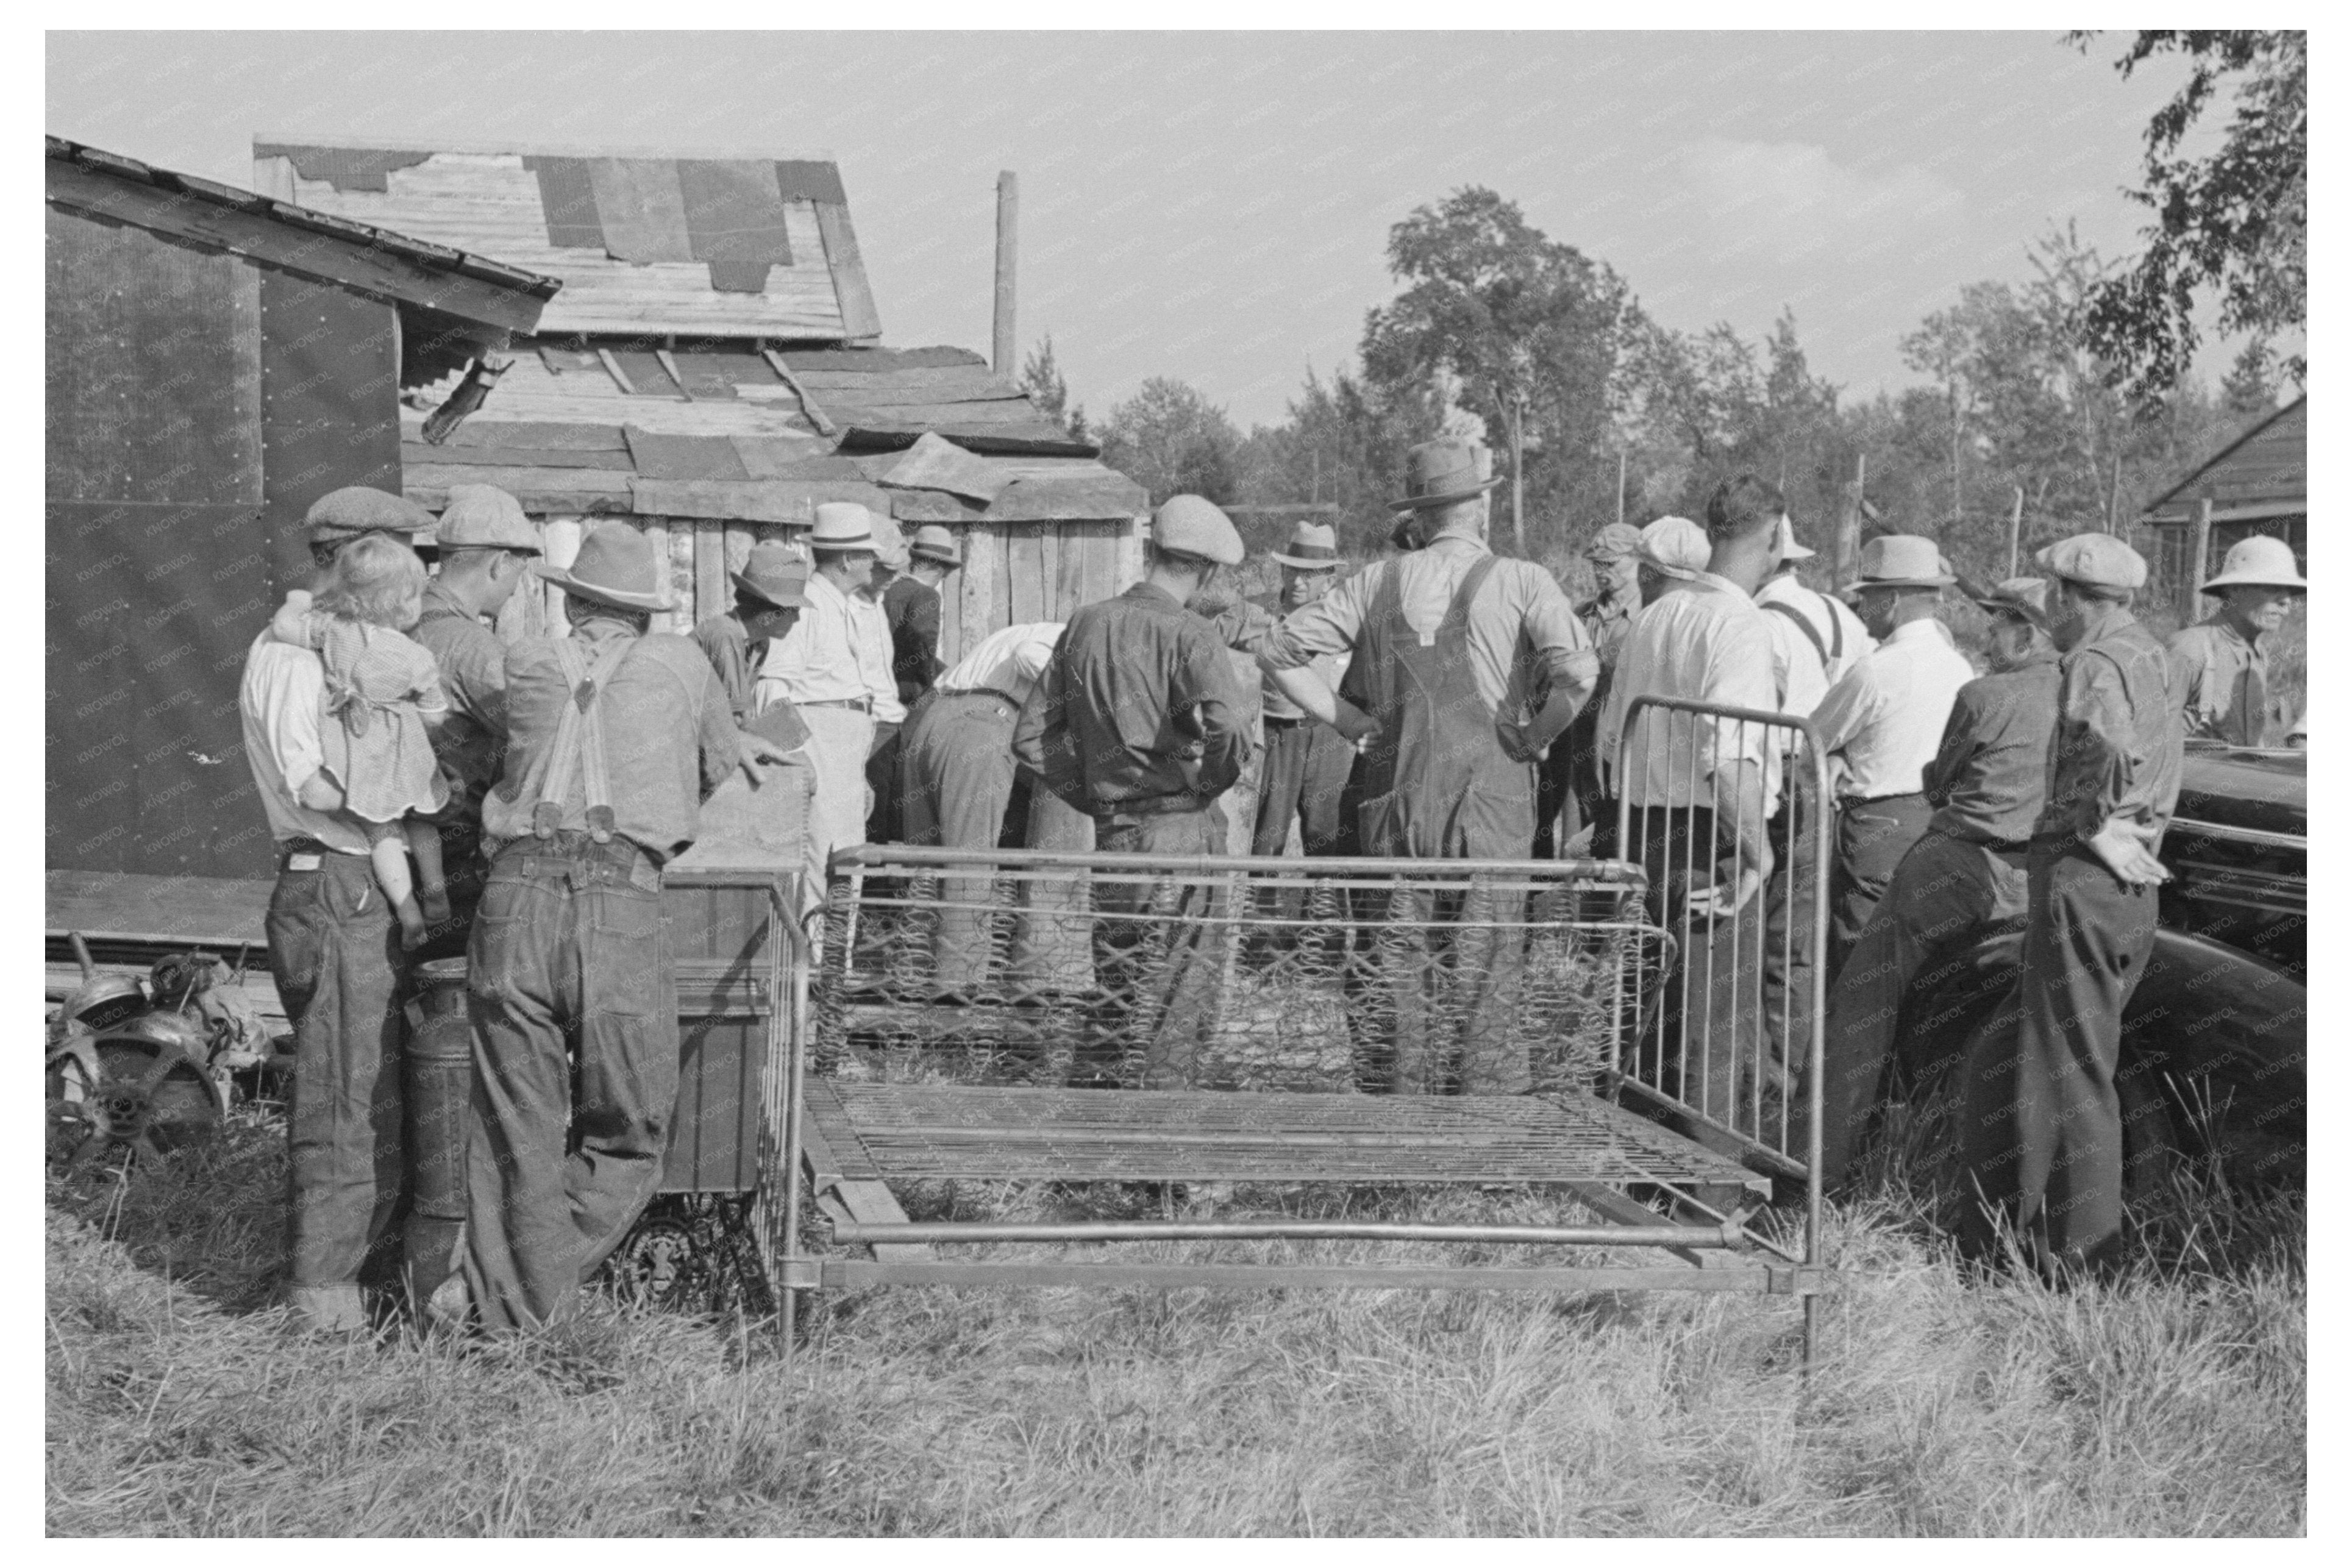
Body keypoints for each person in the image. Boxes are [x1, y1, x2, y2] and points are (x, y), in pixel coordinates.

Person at [452, 521, 791, 1331]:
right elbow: (711, 768)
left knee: (516, 1125)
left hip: (513, 894)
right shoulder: (684, 663)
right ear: (643, 613)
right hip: (620, 897)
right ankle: (524, 1299)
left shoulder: (525, 660)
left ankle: (506, 1297)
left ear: (575, 605)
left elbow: (502, 747)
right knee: (634, 1123)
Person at [1259, 439, 1597, 1094]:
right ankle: (1482, 1127)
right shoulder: (1523, 581)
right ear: (1479, 506)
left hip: (1397, 810)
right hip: (1490, 811)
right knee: (1486, 980)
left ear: (1418, 514)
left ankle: (1400, 1125)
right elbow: (1580, 674)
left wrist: (1348, 721)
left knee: (1395, 981)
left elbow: (1276, 652)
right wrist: (1534, 735)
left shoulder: (1376, 583)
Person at [237, 484, 437, 1333]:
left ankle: (352, 1278)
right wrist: (395, 804)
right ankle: (322, 1296)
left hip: (344, 880)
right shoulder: (292, 662)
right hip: (334, 879)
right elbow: (307, 781)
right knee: (343, 1093)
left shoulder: (328, 647)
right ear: (350, 560)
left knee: (363, 1085)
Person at [1959, 534, 2184, 1274]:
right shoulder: (2152, 653)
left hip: (2086, 873)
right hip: (2127, 885)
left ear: (2064, 596)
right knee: (2017, 1058)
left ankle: (2078, 1265)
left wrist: (2096, 824)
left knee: (2071, 1076)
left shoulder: (2093, 661)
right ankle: (1994, 1235)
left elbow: (2109, 746)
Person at [1811, 577, 2059, 1189]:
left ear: (2027, 635)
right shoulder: (2084, 693)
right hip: (2035, 875)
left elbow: (1941, 782)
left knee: (1864, 1000)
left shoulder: (1984, 694)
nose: (1988, 636)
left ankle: (1821, 1165)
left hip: (1955, 864)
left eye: (1998, 625)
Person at [1013, 495, 1251, 1085]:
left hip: (1115, 836)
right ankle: (1160, 1130)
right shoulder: (1192, 632)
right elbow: (1230, 726)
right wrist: (1209, 786)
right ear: (1207, 572)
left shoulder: (1086, 623)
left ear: (1151, 551)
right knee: (1178, 995)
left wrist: (1095, 797)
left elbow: (1030, 738)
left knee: (1118, 987)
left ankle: (1101, 1116)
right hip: (1181, 835)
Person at [1595, 479, 1783, 1126]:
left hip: (1643, 833)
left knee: (1650, 1018)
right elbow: (1727, 759)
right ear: (1773, 538)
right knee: (1712, 1031)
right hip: (1710, 844)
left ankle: (1638, 1158)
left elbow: (1610, 738)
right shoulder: (1738, 623)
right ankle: (1710, 1176)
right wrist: (1759, 855)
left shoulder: (1656, 615)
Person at [268, 538, 452, 950]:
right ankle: (436, 890)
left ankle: (408, 911)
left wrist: (297, 600)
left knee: (381, 830)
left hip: (357, 751)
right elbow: (436, 715)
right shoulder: (416, 656)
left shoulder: (334, 631)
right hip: (407, 754)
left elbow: (283, 627)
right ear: (403, 602)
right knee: (422, 818)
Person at [1808, 535, 1975, 975]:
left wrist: (1838, 756)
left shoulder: (1878, 669)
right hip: (1936, 819)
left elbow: (1811, 739)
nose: (1862, 608)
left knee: (1859, 951)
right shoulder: (1958, 666)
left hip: (1878, 824)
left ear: (1893, 600)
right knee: (1914, 954)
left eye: (1868, 597)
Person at [1751, 508, 1876, 1092]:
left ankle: (1774, 1075)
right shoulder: (1839, 614)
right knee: (1802, 938)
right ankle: (1798, 1075)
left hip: (1779, 778)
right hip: (1825, 782)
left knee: (1766, 936)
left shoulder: (1757, 624)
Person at [409, 483, 543, 961]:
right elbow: (542, 729)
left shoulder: (402, 621)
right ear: (500, 563)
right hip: (452, 863)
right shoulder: (473, 648)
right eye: (520, 573)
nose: (517, 588)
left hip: (395, 852)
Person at [901, 621, 1065, 989]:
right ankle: (959, 983)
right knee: (970, 859)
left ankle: (915, 977)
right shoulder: (1076, 638)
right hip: (983, 721)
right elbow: (1028, 657)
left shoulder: (1037, 629)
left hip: (934, 718)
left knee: (926, 859)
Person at [756, 502, 905, 868]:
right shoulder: (807, 607)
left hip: (843, 744)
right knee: (820, 854)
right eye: (868, 554)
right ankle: (815, 912)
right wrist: (795, 754)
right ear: (848, 560)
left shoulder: (841, 605)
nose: (874, 562)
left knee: (848, 854)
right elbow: (770, 687)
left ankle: (838, 912)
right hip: (817, 737)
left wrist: (856, 773)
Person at [1209, 520, 1355, 858]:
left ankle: (1325, 892)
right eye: (1292, 571)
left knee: (1328, 835)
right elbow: (1201, 641)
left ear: (1329, 580)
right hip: (1277, 736)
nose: (1298, 581)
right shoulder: (1253, 613)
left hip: (1330, 736)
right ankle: (1261, 892)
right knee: (1267, 835)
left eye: (1310, 574)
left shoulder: (1347, 617)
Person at [1538, 520, 1644, 858]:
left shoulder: (1649, 616)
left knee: (1619, 834)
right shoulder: (1583, 615)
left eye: (1610, 563)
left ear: (1638, 560)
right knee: (1575, 835)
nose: (1600, 571)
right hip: (1578, 738)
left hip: (1623, 738)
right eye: (1596, 564)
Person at [2168, 535, 2306, 746]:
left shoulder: (2258, 652)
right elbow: (2148, 736)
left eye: (2289, 591)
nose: (2286, 602)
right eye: (2272, 588)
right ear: (2235, 589)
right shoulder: (2191, 648)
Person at [692, 538, 809, 726]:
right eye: (793, 610)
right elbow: (736, 719)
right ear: (768, 613)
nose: (797, 619)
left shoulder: (759, 644)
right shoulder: (725, 634)